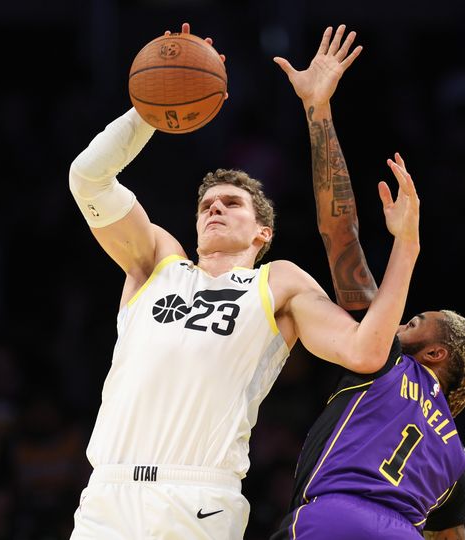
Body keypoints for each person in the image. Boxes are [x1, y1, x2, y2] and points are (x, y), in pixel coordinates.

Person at [67, 23, 422, 540]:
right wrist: (154, 107)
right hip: (108, 495)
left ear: (263, 231)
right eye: (206, 204)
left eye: (231, 203)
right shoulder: (157, 263)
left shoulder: (277, 283)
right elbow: (88, 178)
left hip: (198, 499)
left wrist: (406, 246)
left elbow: (366, 351)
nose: (214, 208)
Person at [271, 25, 465, 539]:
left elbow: (339, 233)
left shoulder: (387, 359)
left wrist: (318, 110)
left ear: (435, 354)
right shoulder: (455, 460)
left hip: (333, 518)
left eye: (417, 322)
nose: (400, 319)